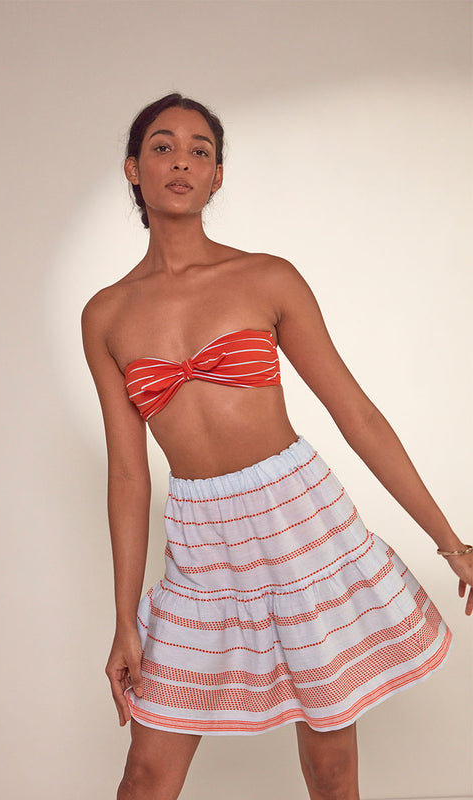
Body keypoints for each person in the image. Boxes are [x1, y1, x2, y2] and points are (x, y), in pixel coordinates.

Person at [81, 92, 472, 800]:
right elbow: (128, 476)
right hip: (200, 539)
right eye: (164, 146)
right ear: (134, 169)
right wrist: (123, 621)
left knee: (330, 771)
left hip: (302, 523)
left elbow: (356, 413)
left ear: (218, 177)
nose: (183, 161)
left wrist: (450, 541)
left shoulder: (265, 278)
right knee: (145, 775)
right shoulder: (106, 313)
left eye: (201, 150)